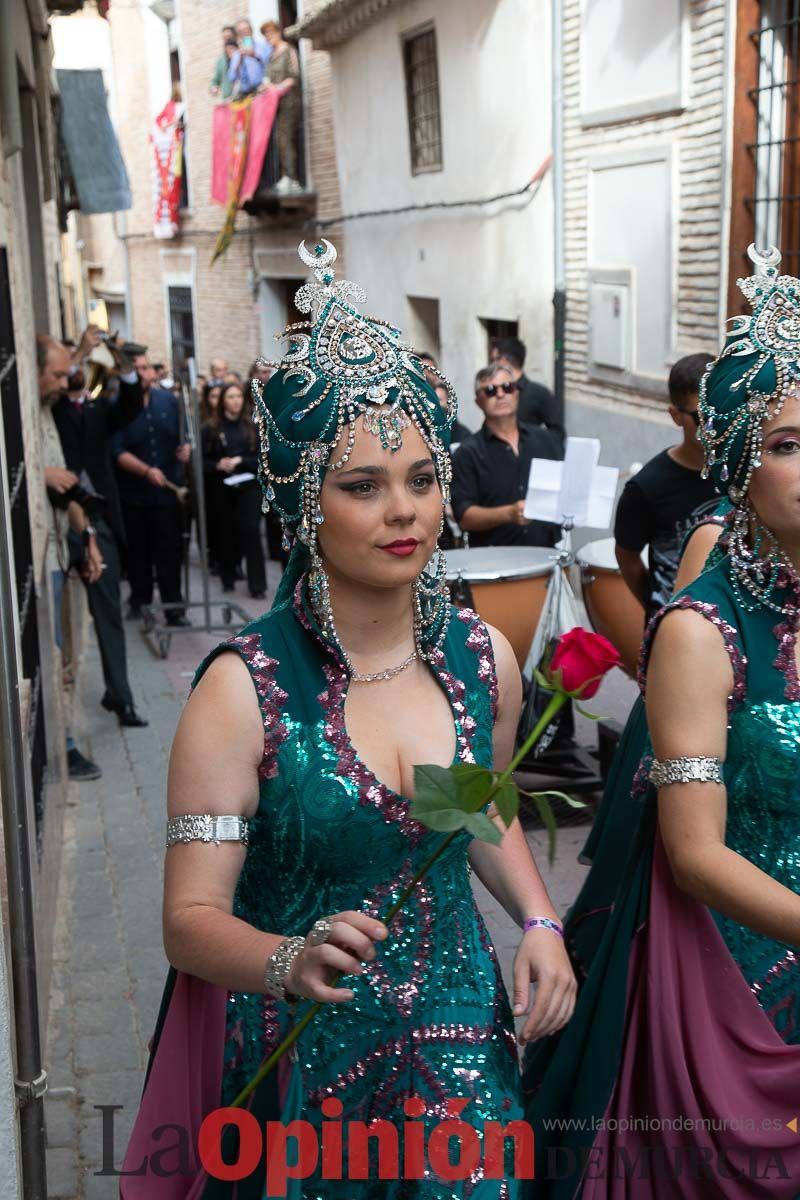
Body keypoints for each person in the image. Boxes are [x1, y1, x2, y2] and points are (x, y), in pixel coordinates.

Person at [122, 241, 576, 1197]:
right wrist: (287, 956)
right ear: (301, 500)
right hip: (304, 1063)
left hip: (459, 1036)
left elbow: (467, 808)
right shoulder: (241, 692)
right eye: (361, 486)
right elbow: (190, 919)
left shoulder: (474, 658)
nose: (401, 511)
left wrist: (538, 920)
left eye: (420, 478)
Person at [522, 245, 800, 1196]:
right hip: (746, 966)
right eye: (786, 443)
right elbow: (694, 856)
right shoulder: (698, 630)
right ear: (732, 461)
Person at [52, 328, 148, 728]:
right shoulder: (50, 407)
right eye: (67, 369)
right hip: (59, 521)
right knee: (58, 618)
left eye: (79, 368)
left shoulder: (96, 411)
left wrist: (120, 359)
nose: (74, 375)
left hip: (99, 522)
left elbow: (129, 403)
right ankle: (62, 713)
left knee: (107, 610)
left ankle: (120, 698)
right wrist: (79, 349)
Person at [38, 334, 104, 781]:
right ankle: (59, 746)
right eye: (57, 373)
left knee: (61, 658)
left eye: (68, 373)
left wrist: (91, 539)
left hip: (63, 551)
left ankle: (63, 741)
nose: (64, 381)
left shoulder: (46, 410)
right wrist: (41, 472)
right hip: (42, 563)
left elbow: (69, 492)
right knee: (49, 654)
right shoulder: (25, 411)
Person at [614, 352, 719, 622]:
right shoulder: (647, 487)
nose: (714, 425)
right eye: (701, 416)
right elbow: (627, 557)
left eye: (720, 410)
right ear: (676, 415)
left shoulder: (743, 467)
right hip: (677, 628)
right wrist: (659, 607)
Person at [110, 349, 191, 626]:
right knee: (138, 552)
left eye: (146, 368)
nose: (143, 373)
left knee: (169, 551)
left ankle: (174, 608)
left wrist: (186, 450)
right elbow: (116, 451)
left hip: (167, 493)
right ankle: (140, 601)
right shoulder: (116, 405)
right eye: (137, 369)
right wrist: (146, 471)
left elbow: (183, 437)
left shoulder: (169, 401)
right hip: (133, 494)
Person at [451, 363, 563, 548]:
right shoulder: (467, 453)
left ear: (517, 392)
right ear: (478, 401)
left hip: (546, 554)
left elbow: (564, 487)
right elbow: (464, 517)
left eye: (507, 387)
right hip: (495, 562)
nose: (500, 394)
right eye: (490, 390)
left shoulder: (545, 439)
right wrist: (509, 514)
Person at [203, 380, 267, 598]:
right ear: (223, 401)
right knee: (225, 531)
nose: (236, 401)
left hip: (248, 484)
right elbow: (201, 461)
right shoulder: (211, 428)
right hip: (222, 485)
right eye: (230, 397)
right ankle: (228, 577)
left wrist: (240, 460)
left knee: (251, 530)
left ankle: (257, 585)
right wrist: (218, 465)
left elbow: (261, 457)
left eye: (238, 396)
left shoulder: (252, 425)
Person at [490, 336, 565, 445]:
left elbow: (558, 433)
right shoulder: (495, 391)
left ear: (503, 361)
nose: (490, 366)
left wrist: (528, 436)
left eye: (493, 360)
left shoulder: (539, 393)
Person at [261, 20, 302, 194]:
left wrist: (277, 88)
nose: (269, 37)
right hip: (274, 104)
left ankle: (292, 178)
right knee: (279, 139)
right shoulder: (270, 57)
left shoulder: (288, 50)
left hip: (289, 101)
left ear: (278, 32)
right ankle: (285, 176)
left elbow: (294, 75)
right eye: (266, 35)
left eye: (271, 33)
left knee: (286, 138)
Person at [210, 25, 236, 100]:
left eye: (229, 37)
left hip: (243, 99)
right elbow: (215, 81)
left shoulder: (242, 54)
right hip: (228, 102)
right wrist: (213, 88)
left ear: (234, 37)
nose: (227, 40)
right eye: (224, 38)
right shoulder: (221, 60)